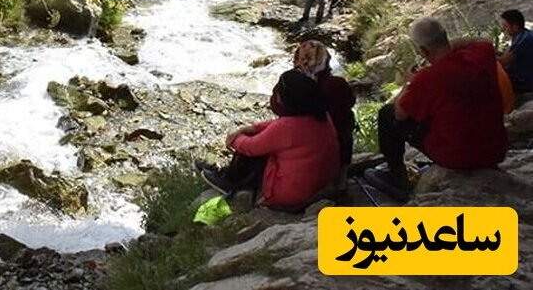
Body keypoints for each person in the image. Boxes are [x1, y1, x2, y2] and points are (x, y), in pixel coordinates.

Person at [364, 18, 508, 201]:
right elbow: (483, 41)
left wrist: (408, 83)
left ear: (423, 50)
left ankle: (397, 177)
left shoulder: (426, 79)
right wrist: (446, 48)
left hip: (457, 157)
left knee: (387, 114)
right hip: (495, 149)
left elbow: (400, 115)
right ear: (445, 37)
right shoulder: (481, 55)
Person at [202, 69, 339, 210]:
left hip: (290, 195)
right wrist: (253, 127)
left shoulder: (287, 128)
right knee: (263, 141)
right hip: (321, 182)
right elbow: (277, 127)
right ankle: (233, 177)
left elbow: (251, 147)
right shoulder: (321, 115)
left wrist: (235, 138)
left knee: (253, 147)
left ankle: (230, 180)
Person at [293, 40, 355, 184]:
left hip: (301, 154)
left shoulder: (292, 85)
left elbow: (278, 108)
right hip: (337, 152)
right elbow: (350, 102)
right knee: (347, 120)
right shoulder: (337, 84)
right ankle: (341, 180)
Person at [498, 9, 533, 95]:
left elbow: (503, 61)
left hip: (524, 83)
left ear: (515, 27)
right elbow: (506, 54)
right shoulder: (520, 36)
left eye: (506, 26)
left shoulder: (525, 39)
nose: (504, 29)